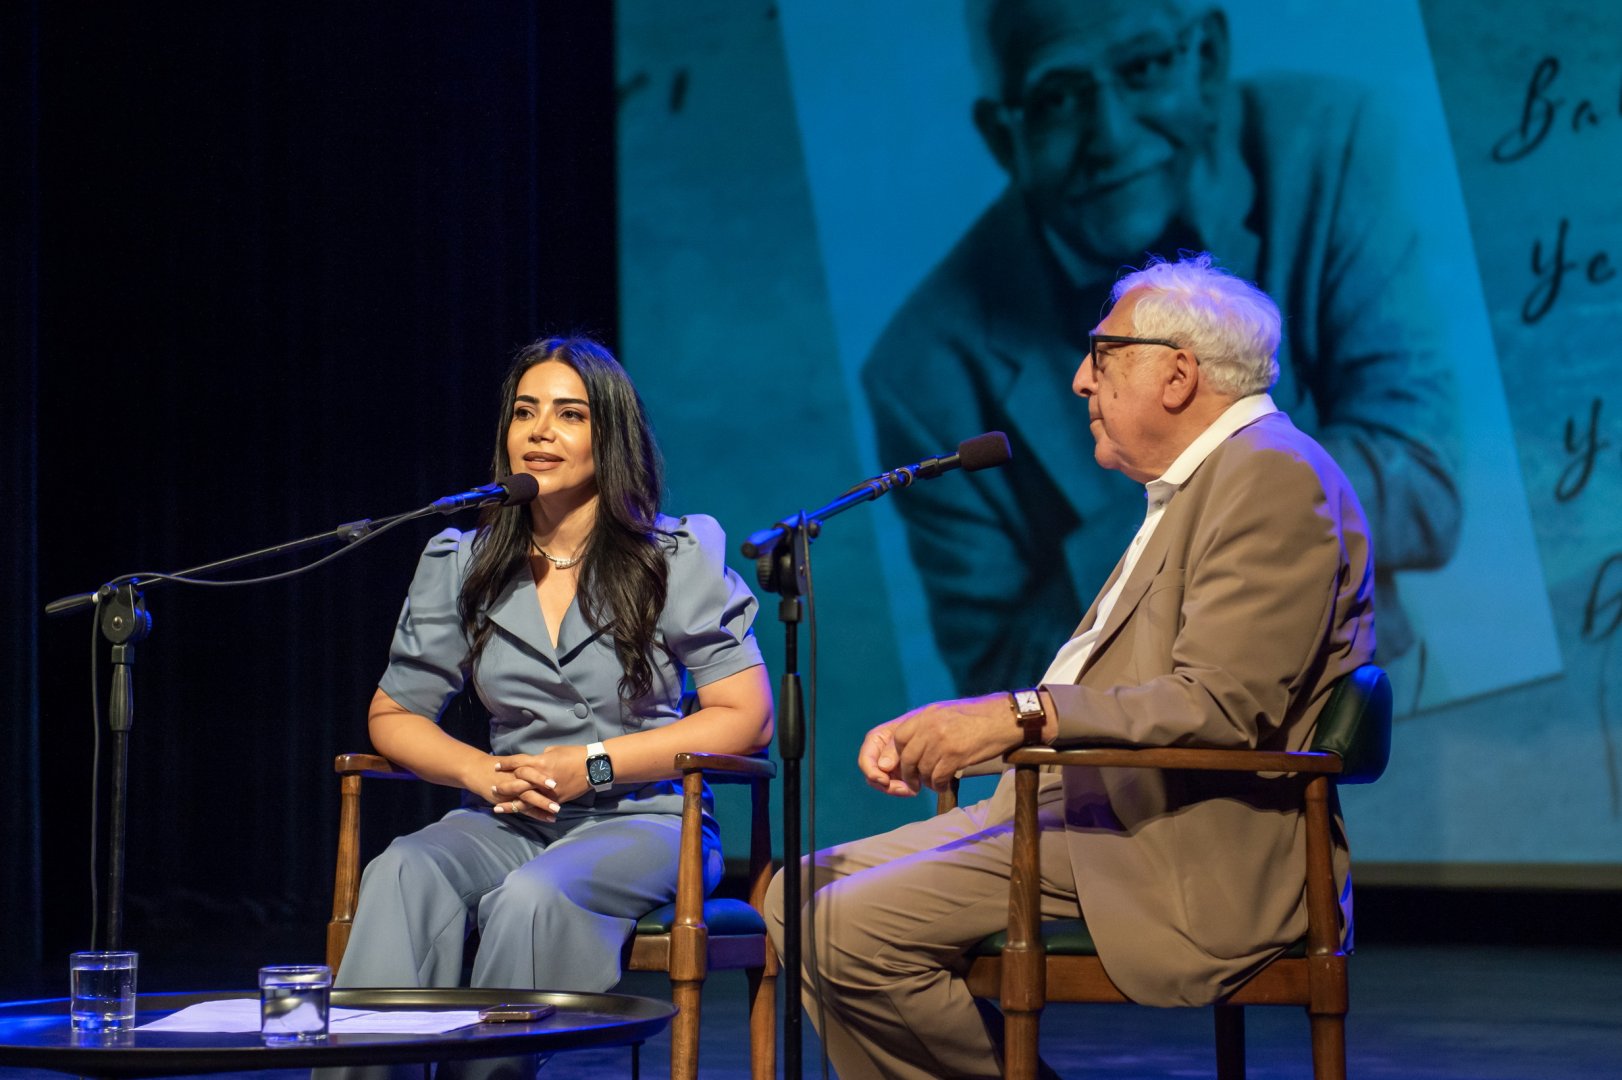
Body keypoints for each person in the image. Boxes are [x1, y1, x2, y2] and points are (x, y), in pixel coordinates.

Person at [770, 253, 1376, 1078]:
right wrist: (968, 723)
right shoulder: (1202, 484)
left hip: (1172, 845)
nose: (1078, 382)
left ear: (1177, 374)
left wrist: (1017, 718)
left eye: (1101, 354)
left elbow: (1222, 706)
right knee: (784, 902)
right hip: (1084, 811)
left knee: (843, 929)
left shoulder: (1270, 476)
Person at [862, 0, 1455, 697]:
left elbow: (1421, 486)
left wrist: (1122, 548)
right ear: (1004, 135)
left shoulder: (1327, 142)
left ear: (1204, 59)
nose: (1110, 135)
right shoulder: (921, 373)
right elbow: (1004, 689)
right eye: (1057, 97)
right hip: (1123, 782)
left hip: (1359, 701)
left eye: (1142, 66)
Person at [336, 335, 773, 1000]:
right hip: (509, 817)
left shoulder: (675, 555)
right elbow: (394, 714)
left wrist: (592, 764)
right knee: (402, 870)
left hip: (645, 820)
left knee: (533, 898)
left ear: (612, 437)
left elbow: (747, 718)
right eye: (524, 411)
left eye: (571, 414)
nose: (540, 431)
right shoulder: (463, 561)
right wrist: (476, 772)